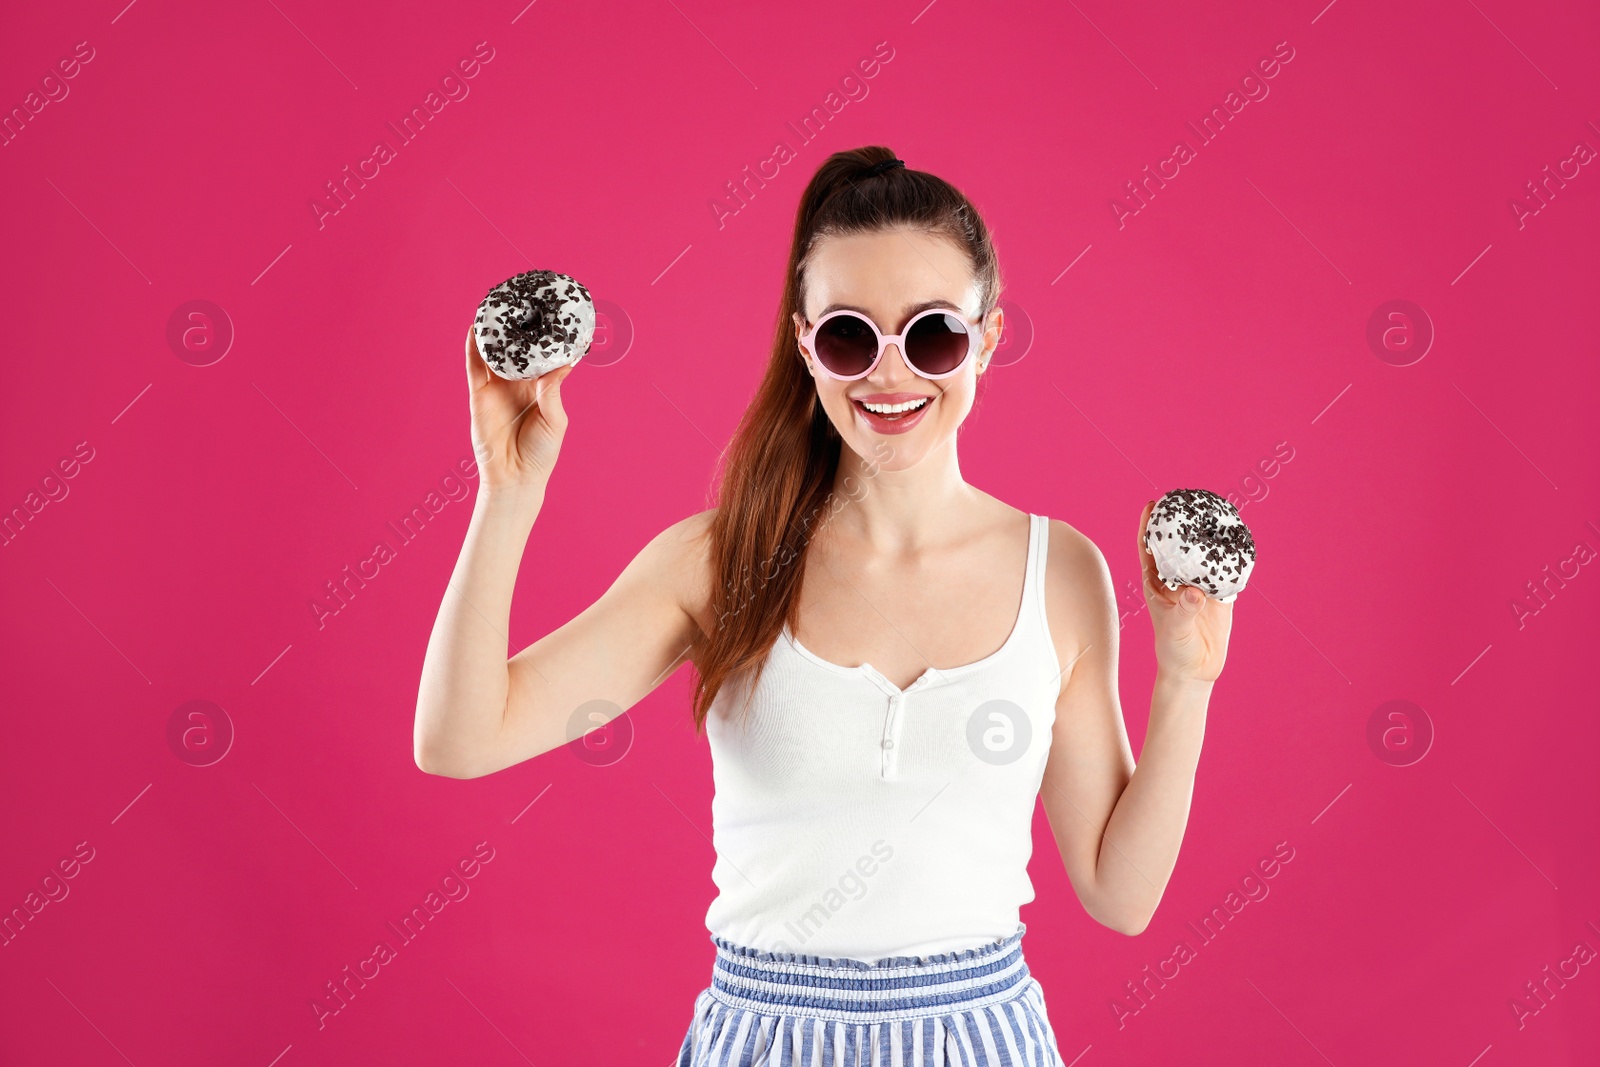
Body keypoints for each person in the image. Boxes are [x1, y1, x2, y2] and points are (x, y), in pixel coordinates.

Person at [413, 146, 1235, 1066]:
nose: (889, 376)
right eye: (849, 335)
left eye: (931, 335)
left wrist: (1187, 682)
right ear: (806, 345)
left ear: (988, 338)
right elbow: (461, 737)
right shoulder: (720, 560)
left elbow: (1119, 896)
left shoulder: (1061, 572)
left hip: (984, 1041)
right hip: (763, 1040)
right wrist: (506, 493)